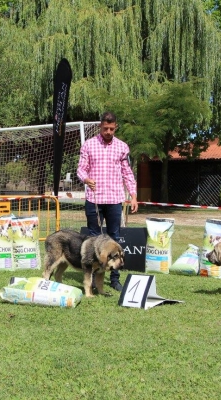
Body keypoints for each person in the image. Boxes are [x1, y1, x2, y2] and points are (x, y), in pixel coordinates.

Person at [77, 111, 138, 292]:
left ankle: (115, 278)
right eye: (105, 128)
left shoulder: (122, 147)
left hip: (114, 200)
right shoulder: (88, 145)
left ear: (115, 127)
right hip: (94, 200)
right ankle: (95, 280)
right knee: (94, 241)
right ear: (100, 126)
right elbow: (81, 169)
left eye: (111, 129)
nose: (108, 132)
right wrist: (86, 179)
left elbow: (127, 172)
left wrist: (133, 196)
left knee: (115, 239)